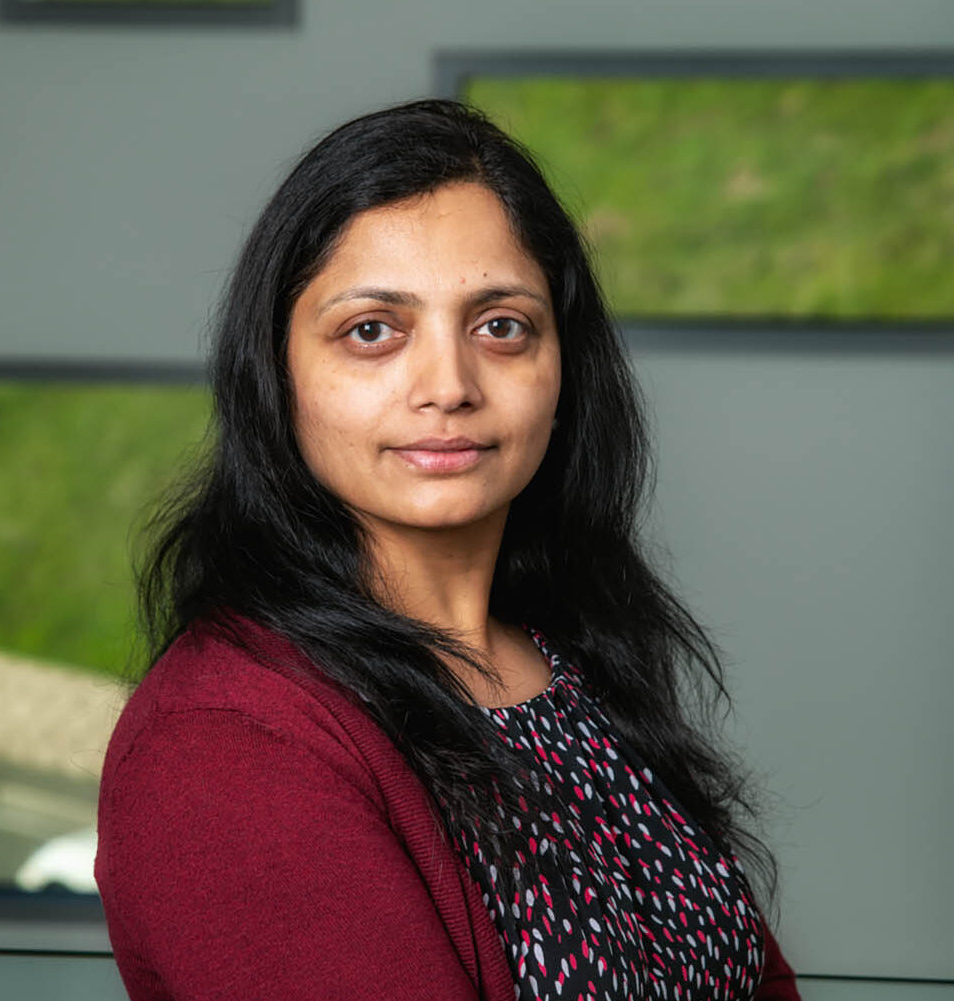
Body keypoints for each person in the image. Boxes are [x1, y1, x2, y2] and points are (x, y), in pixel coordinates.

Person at [95, 99, 800, 1001]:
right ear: (277, 372)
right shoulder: (225, 746)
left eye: (500, 325)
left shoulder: (566, 654)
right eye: (373, 331)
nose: (450, 387)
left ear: (564, 366)